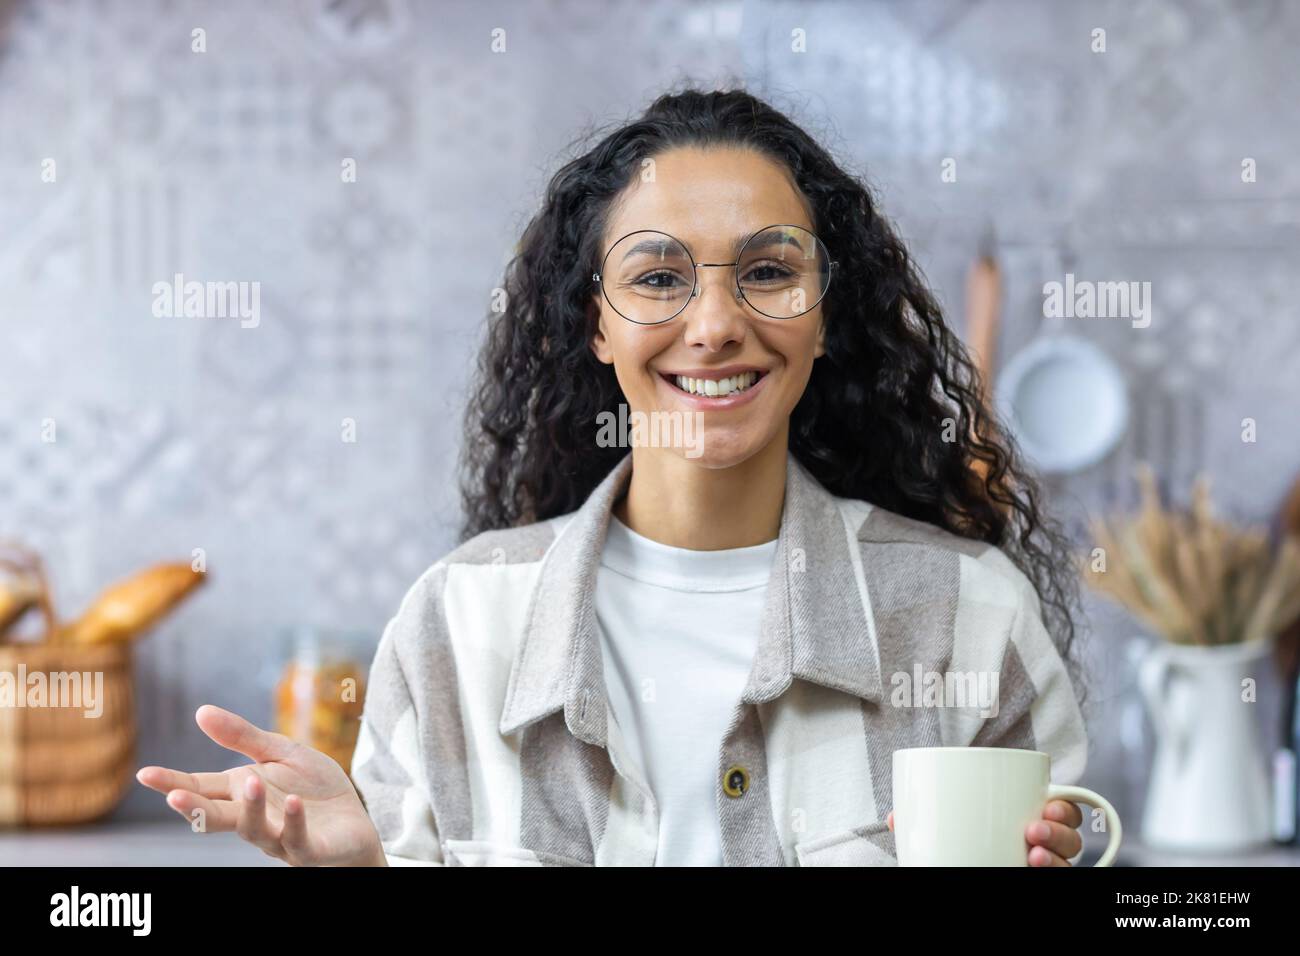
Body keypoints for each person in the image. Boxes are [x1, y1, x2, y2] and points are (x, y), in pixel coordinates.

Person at [137, 87, 1091, 866]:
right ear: (597, 324)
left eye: (767, 270)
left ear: (824, 317)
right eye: (658, 278)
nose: (715, 323)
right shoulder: (460, 627)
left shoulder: (972, 618)